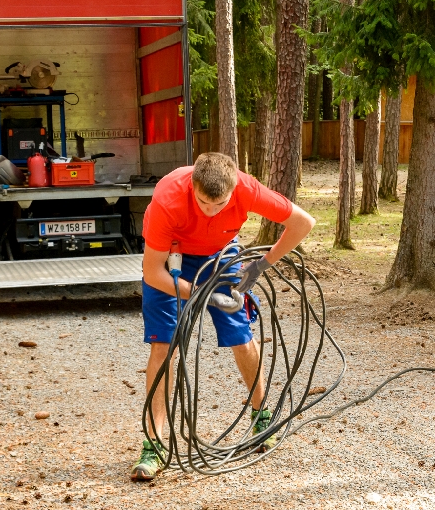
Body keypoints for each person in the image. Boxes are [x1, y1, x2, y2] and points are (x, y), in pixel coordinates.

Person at [130, 152, 316, 481]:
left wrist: (259, 266)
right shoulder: (168, 199)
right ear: (192, 186)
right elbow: (152, 272)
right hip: (173, 258)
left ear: (234, 190)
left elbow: (303, 222)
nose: (211, 211)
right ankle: (154, 445)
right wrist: (201, 293)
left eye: (220, 204)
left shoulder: (247, 189)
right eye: (203, 202)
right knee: (164, 345)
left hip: (220, 254)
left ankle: (261, 418)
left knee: (241, 336)